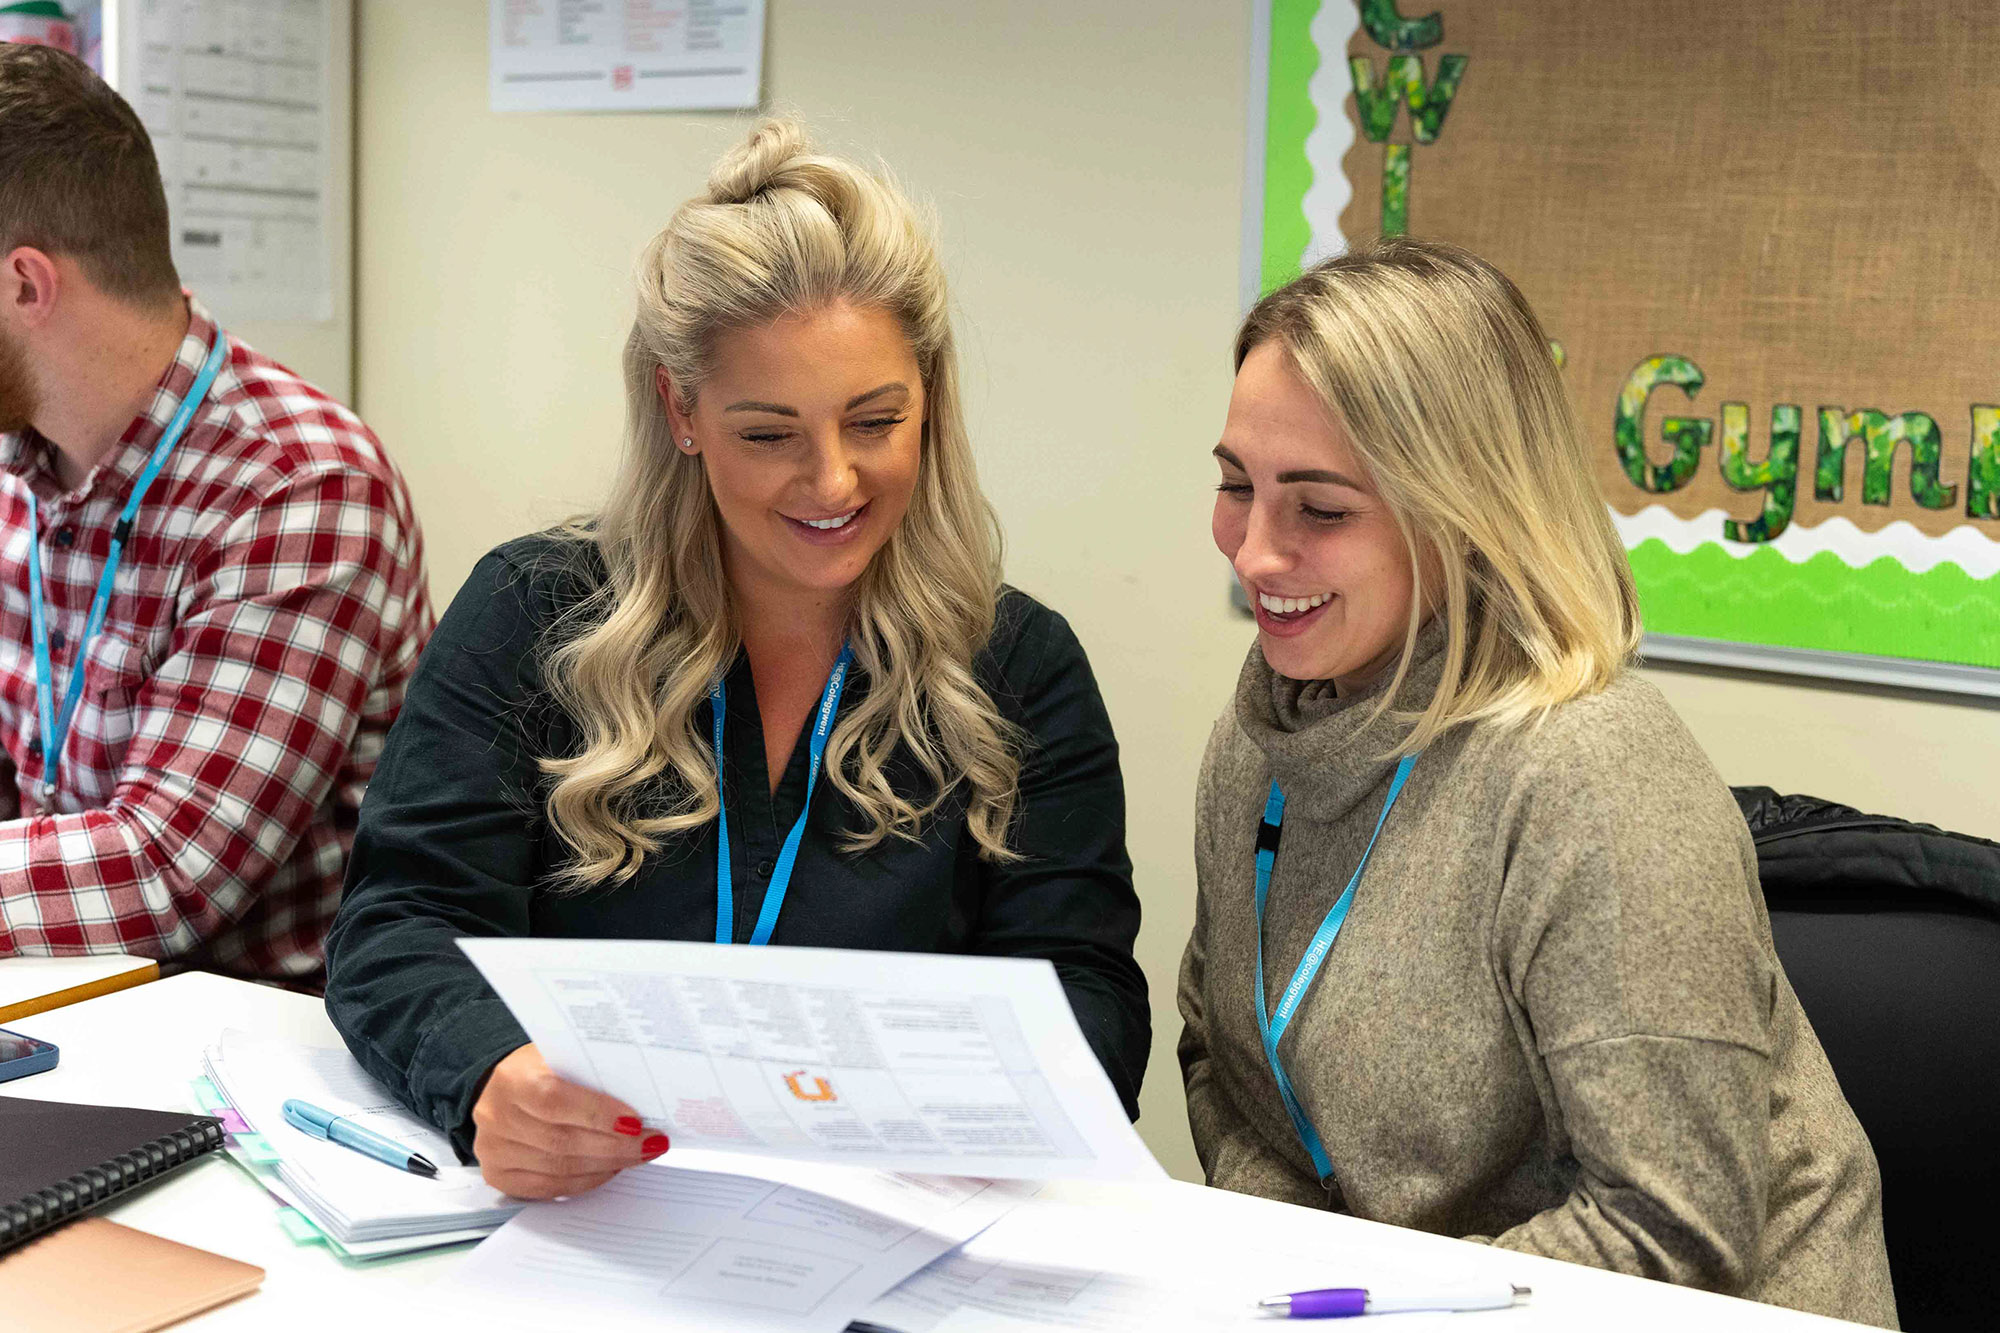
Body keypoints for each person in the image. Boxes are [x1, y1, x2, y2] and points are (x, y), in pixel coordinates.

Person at [325, 119, 1149, 1199]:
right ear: (681, 411)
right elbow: (400, 921)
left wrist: (941, 1120)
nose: (833, 482)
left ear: (929, 402)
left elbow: (1087, 998)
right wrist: (487, 1076)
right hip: (589, 1215)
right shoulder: (535, 615)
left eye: (874, 421)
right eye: (769, 433)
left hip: (888, 1230)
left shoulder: (1017, 666)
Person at [1178, 237, 1896, 1328]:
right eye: (1237, 486)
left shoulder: (1589, 771)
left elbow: (1669, 1227)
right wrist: (1294, 1263)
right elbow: (1224, 1067)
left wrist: (1378, 1303)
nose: (1254, 550)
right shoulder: (1259, 746)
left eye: (1318, 509)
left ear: (1462, 510)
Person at [0, 43, 431, 984]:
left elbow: (166, 870)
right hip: (69, 1004)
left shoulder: (301, 488)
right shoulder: (24, 464)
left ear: (26, 284)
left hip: (248, 1053)